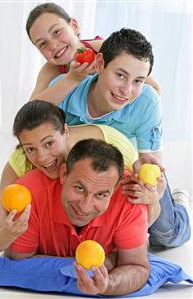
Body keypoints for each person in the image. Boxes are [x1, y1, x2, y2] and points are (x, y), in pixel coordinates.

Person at [48, 27, 191, 248]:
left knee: (166, 235)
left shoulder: (146, 101)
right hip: (90, 176)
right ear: (101, 63)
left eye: (138, 81)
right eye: (121, 75)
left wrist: (152, 194)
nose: (127, 90)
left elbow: (151, 166)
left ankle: (179, 204)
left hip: (129, 170)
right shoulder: (65, 91)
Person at [0, 100, 163, 253]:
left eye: (49, 143)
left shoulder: (107, 156)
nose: (42, 158)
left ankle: (180, 204)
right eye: (30, 149)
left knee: (165, 232)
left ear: (66, 131)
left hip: (150, 183)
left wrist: (153, 198)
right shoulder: (20, 162)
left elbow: (143, 216)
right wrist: (7, 235)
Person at [5, 139, 152, 296]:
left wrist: (107, 284)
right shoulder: (29, 194)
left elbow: (138, 267)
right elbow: (19, 261)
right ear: (63, 174)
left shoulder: (130, 198)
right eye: (79, 188)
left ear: (115, 189)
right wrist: (109, 261)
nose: (85, 206)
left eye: (101, 194)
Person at [26, 2, 160, 104]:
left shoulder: (102, 49)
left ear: (74, 26)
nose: (53, 45)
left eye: (56, 32)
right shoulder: (51, 70)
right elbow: (29, 113)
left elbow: (154, 89)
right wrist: (72, 79)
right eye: (43, 44)